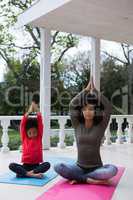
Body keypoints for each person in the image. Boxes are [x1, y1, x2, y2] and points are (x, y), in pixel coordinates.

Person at [54, 76, 118, 184]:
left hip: (96, 168)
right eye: (85, 109)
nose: (88, 111)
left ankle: (80, 178)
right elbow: (72, 105)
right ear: (82, 111)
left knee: (112, 170)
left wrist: (96, 92)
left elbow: (108, 108)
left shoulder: (100, 126)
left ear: (95, 111)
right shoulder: (77, 125)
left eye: (91, 109)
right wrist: (86, 91)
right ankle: (89, 180)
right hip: (79, 166)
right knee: (57, 166)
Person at [9, 102, 50, 179]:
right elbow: (22, 124)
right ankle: (31, 174)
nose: (32, 134)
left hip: (36, 166)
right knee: (11, 165)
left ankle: (26, 174)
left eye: (34, 132)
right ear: (26, 133)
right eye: (30, 133)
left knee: (47, 164)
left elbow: (40, 122)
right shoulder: (24, 138)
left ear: (38, 132)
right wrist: (28, 112)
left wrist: (36, 109)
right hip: (25, 165)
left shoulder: (38, 137)